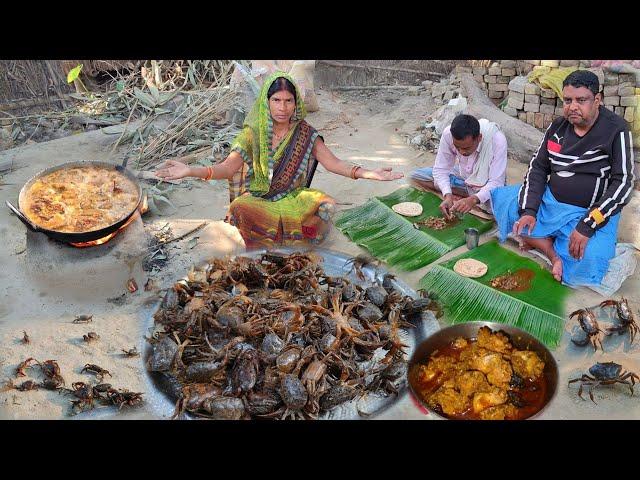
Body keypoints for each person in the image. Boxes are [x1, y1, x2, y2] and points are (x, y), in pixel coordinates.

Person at [156, 71, 403, 248]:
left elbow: (333, 163)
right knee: (240, 208)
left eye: (288, 101)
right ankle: (268, 243)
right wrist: (189, 171)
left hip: (292, 198)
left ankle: (294, 241)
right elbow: (227, 167)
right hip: (259, 199)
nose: (282, 108)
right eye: (276, 100)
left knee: (325, 205)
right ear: (267, 102)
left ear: (296, 104)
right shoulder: (252, 133)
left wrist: (370, 173)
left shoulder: (304, 131)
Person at [491, 70, 635, 287]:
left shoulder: (616, 130)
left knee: (588, 259)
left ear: (597, 100)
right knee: (508, 209)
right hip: (551, 204)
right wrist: (530, 210)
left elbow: (623, 183)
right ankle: (552, 251)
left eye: (581, 100)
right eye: (567, 100)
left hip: (589, 212)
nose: (573, 106)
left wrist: (587, 225)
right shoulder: (558, 127)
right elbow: (538, 168)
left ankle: (545, 241)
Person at [410, 113, 507, 219]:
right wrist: (447, 195)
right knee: (418, 175)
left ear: (479, 138)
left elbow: (496, 182)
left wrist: (473, 199)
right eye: (457, 147)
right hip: (463, 177)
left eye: (466, 148)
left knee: (499, 206)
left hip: (486, 184)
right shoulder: (448, 134)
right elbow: (441, 169)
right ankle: (463, 197)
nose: (461, 152)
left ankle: (470, 198)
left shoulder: (497, 140)